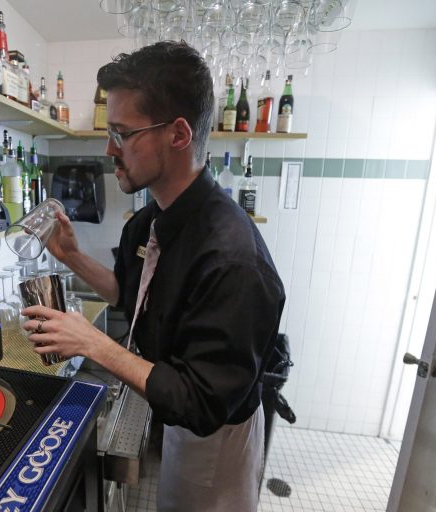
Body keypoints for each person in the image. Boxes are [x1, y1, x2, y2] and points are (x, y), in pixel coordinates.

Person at [22, 41, 285, 511]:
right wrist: (72, 257)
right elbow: (129, 293)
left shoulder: (234, 261)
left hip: (218, 444)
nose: (109, 149)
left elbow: (200, 402)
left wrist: (92, 343)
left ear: (178, 134)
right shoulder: (150, 220)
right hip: (180, 429)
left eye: (122, 134)